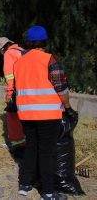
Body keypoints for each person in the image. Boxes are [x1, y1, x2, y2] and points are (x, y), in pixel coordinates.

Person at [14, 26, 72, 200]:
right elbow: (61, 88)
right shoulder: (49, 60)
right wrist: (68, 107)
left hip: (26, 114)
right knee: (47, 152)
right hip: (48, 115)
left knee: (30, 148)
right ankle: (48, 192)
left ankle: (25, 184)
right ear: (45, 41)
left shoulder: (19, 62)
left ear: (28, 42)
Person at [0, 37, 25, 151]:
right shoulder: (21, 50)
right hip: (28, 89)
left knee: (12, 116)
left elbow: (10, 76)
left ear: (3, 48)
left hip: (18, 89)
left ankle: (19, 145)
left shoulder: (9, 54)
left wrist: (9, 93)